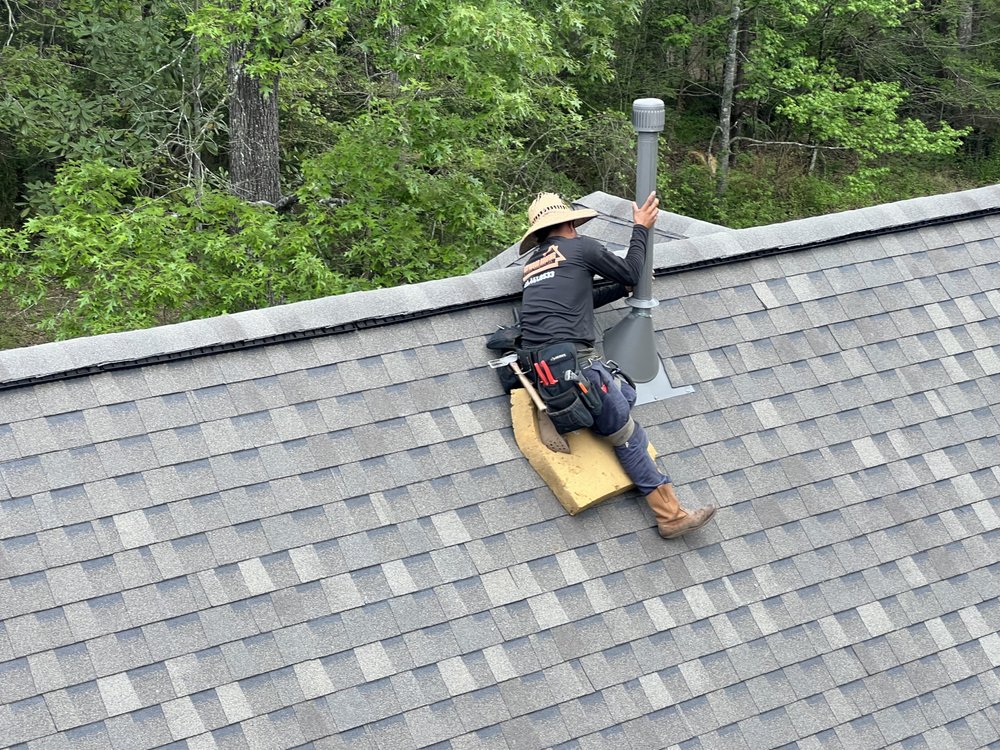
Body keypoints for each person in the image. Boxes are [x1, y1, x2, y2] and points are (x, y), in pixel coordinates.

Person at [518, 191, 716, 539]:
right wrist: (640, 228)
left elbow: (581, 298)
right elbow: (632, 269)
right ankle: (670, 516)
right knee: (628, 436)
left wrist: (620, 288)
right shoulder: (582, 248)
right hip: (576, 368)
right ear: (569, 222)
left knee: (622, 391)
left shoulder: (533, 264)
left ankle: (557, 413)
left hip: (542, 372)